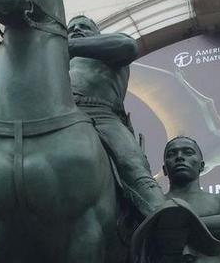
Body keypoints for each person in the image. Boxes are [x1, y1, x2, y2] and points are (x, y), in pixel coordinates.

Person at [68, 15, 166, 217]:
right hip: (62, 115)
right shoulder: (58, 61)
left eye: (84, 26)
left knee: (133, 167)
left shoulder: (109, 49)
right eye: (72, 28)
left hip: (102, 115)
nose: (77, 29)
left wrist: (66, 45)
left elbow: (128, 45)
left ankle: (161, 216)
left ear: (97, 33)